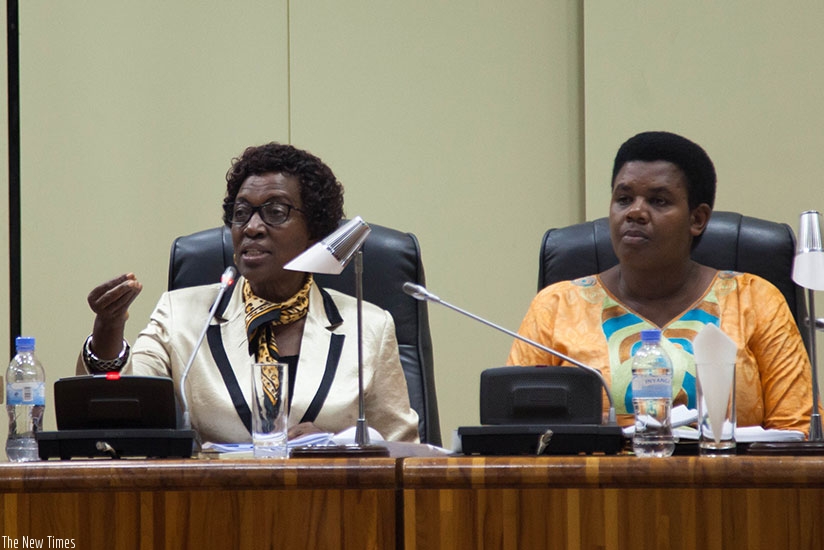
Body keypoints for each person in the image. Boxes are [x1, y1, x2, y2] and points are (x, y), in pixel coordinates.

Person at [77, 142, 419, 444]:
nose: (252, 227)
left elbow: (403, 450)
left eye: (275, 212)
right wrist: (108, 329)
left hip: (327, 508)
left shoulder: (368, 326)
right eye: (241, 214)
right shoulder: (181, 314)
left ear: (315, 231)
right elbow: (123, 410)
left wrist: (337, 446)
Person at [507, 131, 813, 434]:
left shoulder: (754, 300)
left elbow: (798, 430)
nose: (635, 212)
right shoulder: (556, 307)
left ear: (697, 219)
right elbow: (515, 428)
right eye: (623, 199)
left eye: (658, 201)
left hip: (729, 481)